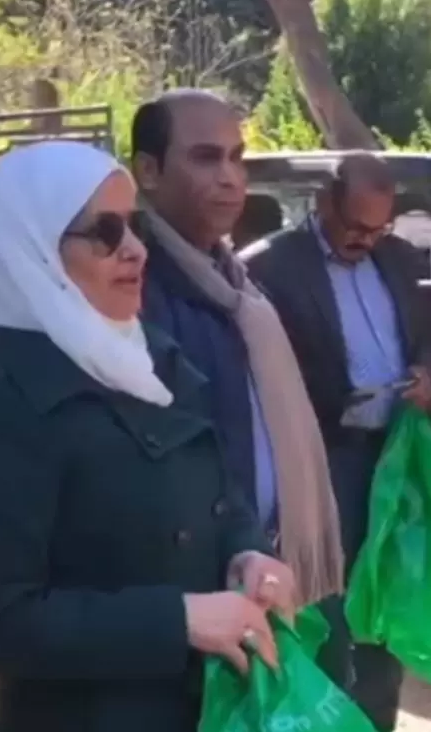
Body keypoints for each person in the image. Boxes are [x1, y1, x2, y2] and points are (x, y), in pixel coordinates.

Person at [0, 141, 296, 732]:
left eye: (134, 226)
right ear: (31, 250)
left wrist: (246, 551)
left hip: (200, 724)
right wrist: (176, 620)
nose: (135, 250)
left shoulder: (149, 357)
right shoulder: (4, 399)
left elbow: (216, 490)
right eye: (104, 233)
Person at [242, 152, 431, 732]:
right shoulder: (268, 266)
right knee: (322, 607)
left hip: (394, 456)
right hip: (320, 461)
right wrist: (329, 398)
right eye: (356, 226)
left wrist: (427, 373)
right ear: (324, 202)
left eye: (379, 228)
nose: (366, 240)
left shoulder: (400, 257)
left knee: (384, 600)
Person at [129, 90, 344, 610]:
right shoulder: (136, 290)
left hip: (265, 560)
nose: (230, 177)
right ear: (148, 171)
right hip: (207, 578)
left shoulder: (238, 285)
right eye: (206, 158)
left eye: (236, 157)